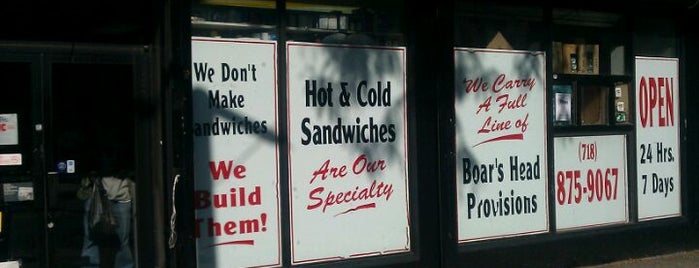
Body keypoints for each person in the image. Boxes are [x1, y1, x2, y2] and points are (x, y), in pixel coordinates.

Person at [78, 148, 135, 268]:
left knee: (96, 237)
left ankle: (95, 264)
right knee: (94, 237)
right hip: (106, 196)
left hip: (112, 196)